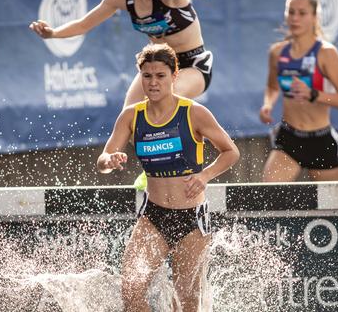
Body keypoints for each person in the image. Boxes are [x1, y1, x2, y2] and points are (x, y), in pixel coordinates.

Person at [96, 43, 239, 311]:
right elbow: (103, 160)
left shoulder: (194, 112)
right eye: (146, 76)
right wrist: (109, 160)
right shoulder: (131, 116)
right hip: (153, 216)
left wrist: (205, 175)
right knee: (131, 291)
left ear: (174, 76)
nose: (153, 82)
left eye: (160, 76)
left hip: (192, 218)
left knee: (185, 299)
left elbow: (231, 152)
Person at [30, 0, 213, 107]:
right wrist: (52, 33)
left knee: (164, 100)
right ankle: (117, 148)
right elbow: (83, 25)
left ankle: (195, 141)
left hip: (192, 65)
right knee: (130, 118)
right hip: (155, 66)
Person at [260, 0, 338, 182]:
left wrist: (313, 94)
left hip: (320, 140)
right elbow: (272, 86)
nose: (295, 18)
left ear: (315, 17)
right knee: (269, 199)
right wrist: (268, 104)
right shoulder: (277, 52)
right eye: (291, 12)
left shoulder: (326, 53)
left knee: (331, 210)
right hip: (289, 138)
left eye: (302, 13)